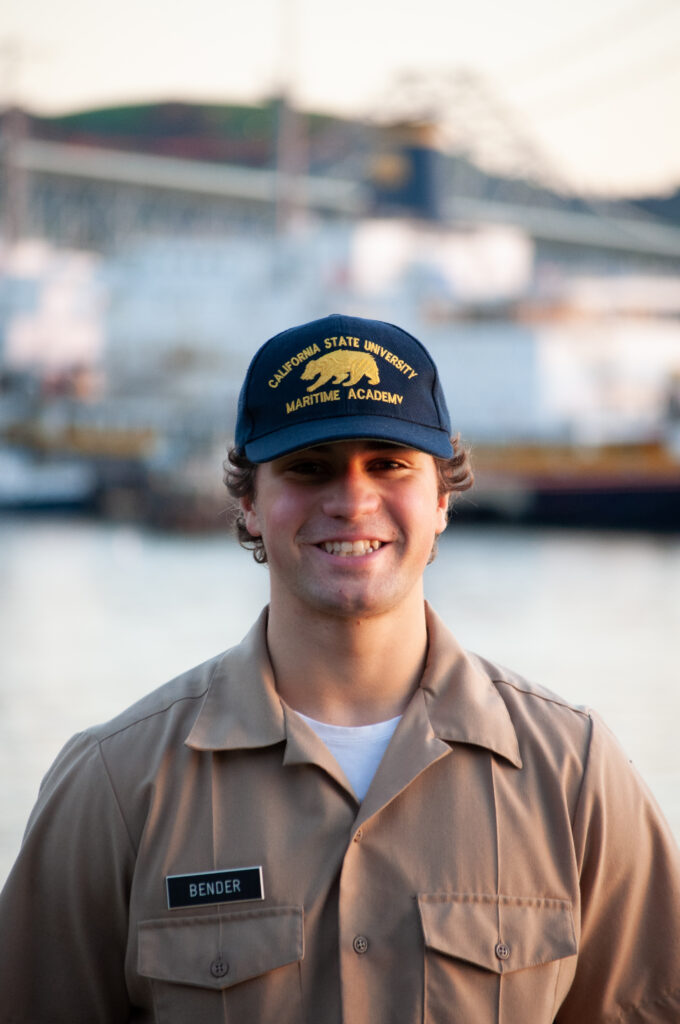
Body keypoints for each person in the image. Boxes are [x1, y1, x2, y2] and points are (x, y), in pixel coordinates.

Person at [1, 313, 679, 1023]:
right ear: (248, 502)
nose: (352, 500)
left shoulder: (575, 777)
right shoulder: (117, 787)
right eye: (308, 467)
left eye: (388, 463)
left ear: (443, 496)